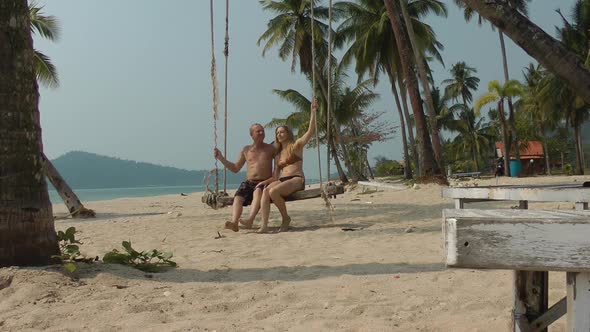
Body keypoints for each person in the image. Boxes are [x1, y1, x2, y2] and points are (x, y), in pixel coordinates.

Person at [257, 99, 317, 233]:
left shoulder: (296, 146)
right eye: (277, 133)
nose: (279, 134)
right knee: (266, 191)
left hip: (296, 179)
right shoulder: (277, 154)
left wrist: (313, 112)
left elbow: (310, 131)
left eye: (282, 132)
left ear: (288, 133)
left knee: (273, 191)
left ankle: (285, 218)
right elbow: (275, 177)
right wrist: (263, 182)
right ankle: (264, 225)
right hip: (282, 180)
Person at [213, 123, 276, 232]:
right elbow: (235, 168)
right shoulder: (246, 150)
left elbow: (280, 164)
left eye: (262, 131)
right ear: (251, 134)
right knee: (238, 198)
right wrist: (221, 158)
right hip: (248, 182)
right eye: (258, 131)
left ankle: (250, 220)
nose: (261, 133)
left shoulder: (271, 148)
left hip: (264, 182)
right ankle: (234, 222)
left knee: (257, 193)